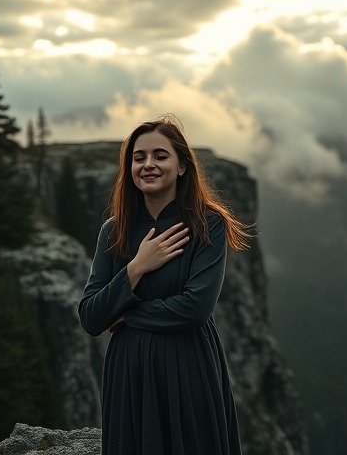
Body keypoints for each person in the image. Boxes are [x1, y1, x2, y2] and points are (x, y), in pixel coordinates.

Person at [78, 114, 253, 454]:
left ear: (183, 165)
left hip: (189, 366)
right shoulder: (113, 231)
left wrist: (127, 316)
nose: (148, 165)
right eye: (139, 157)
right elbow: (90, 316)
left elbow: (196, 308)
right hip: (130, 374)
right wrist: (135, 268)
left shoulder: (207, 224)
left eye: (160, 155)